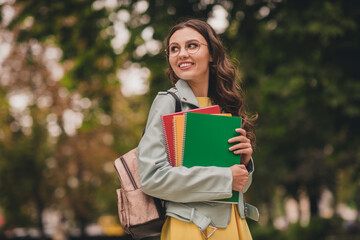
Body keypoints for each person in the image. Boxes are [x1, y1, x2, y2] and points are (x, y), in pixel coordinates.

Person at [137, 18, 258, 240]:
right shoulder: (168, 102)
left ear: (212, 54)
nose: (182, 53)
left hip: (234, 226)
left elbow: (237, 187)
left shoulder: (224, 105)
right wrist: (225, 178)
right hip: (191, 229)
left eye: (191, 45)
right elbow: (152, 177)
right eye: (174, 49)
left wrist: (244, 163)